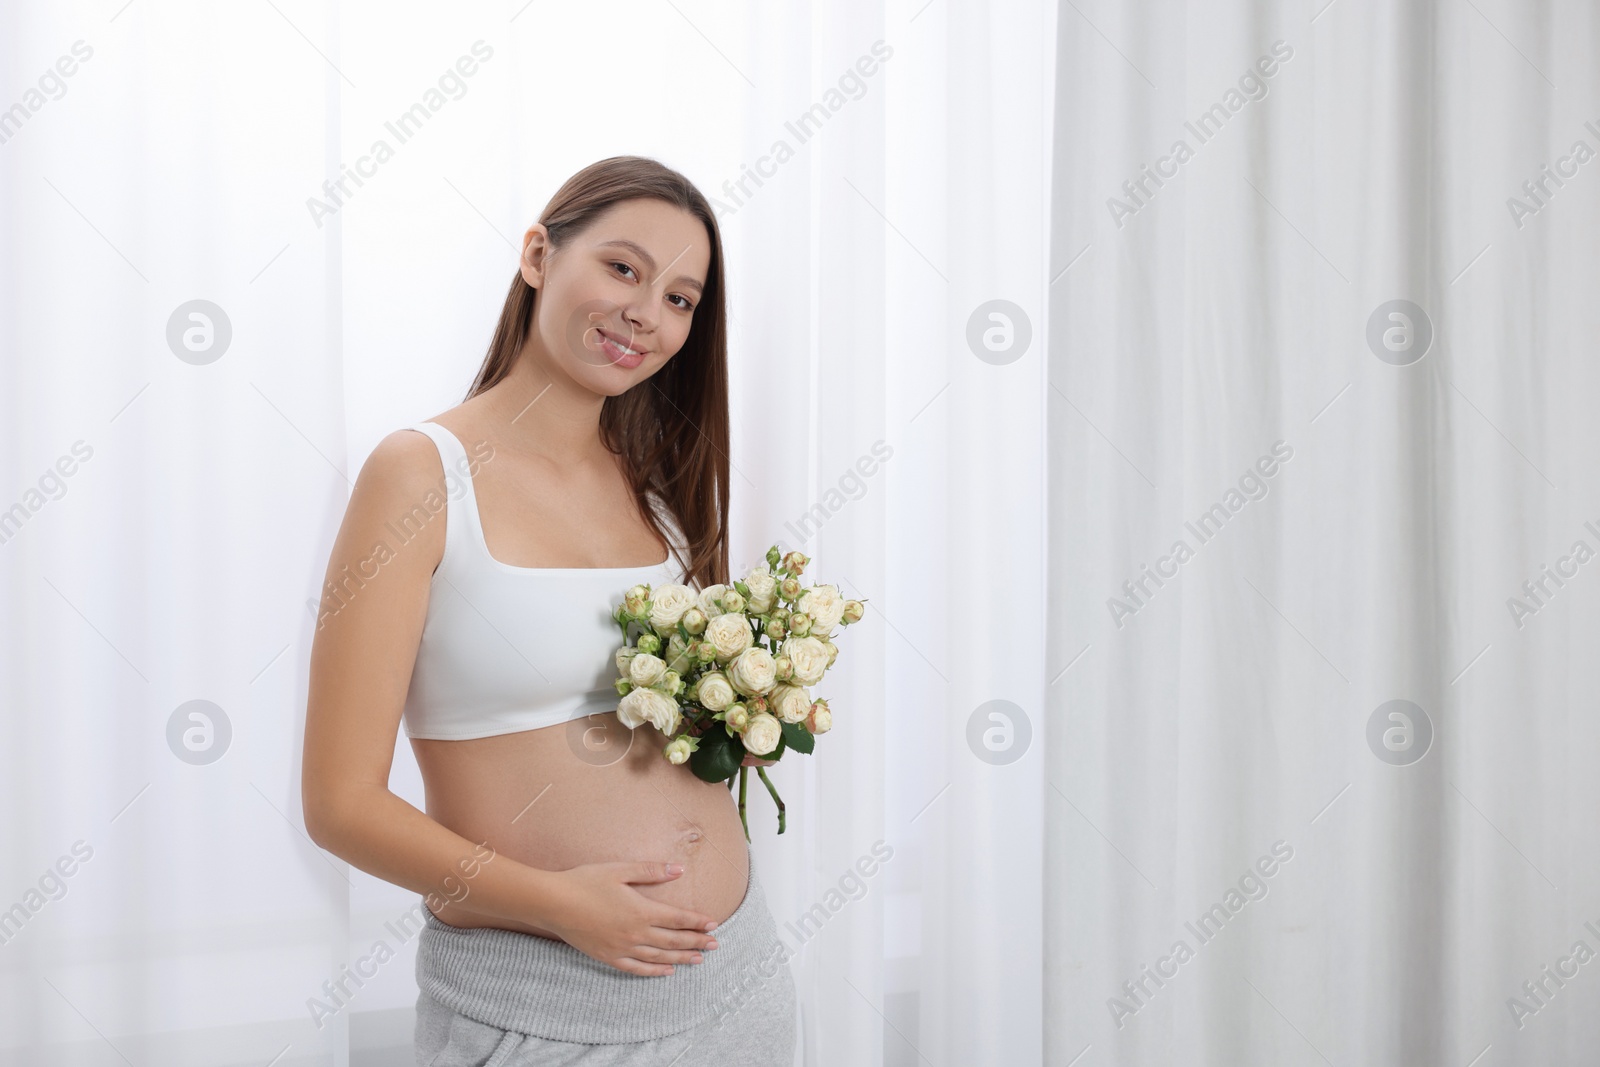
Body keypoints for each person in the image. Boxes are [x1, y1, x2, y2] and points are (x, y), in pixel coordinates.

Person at [301, 156, 797, 1065]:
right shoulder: (419, 476)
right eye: (623, 268)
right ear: (537, 255)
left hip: (740, 979)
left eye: (683, 298)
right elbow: (339, 803)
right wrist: (563, 904)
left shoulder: (659, 489)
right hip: (546, 1003)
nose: (648, 314)